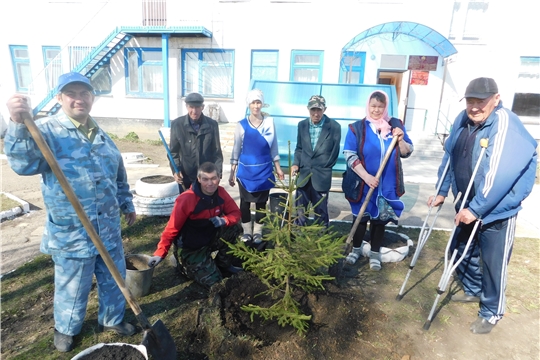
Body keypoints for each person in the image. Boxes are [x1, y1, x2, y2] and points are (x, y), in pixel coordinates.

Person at [4, 72, 137, 353]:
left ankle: (111, 319)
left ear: (92, 97)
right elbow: (23, 165)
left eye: (84, 93)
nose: (79, 99)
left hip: (108, 226)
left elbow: (118, 174)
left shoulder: (102, 135)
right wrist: (16, 124)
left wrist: (127, 202)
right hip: (72, 230)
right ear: (60, 98)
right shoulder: (46, 131)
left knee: (114, 277)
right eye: (72, 94)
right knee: (72, 284)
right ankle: (66, 328)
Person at [428, 77, 537, 334]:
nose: (474, 107)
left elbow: (498, 172)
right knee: (462, 249)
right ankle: (474, 289)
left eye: (481, 101)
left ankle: (492, 311)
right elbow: (451, 154)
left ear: (496, 99)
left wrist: (476, 209)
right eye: (470, 101)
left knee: (493, 261)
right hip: (467, 203)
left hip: (497, 209)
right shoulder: (461, 120)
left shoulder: (504, 123)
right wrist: (442, 191)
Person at [342, 90, 413, 270]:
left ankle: (375, 254)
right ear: (368, 106)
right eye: (373, 106)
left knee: (379, 221)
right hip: (363, 184)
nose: (376, 110)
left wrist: (400, 139)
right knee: (360, 217)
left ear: (385, 107)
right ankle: (355, 250)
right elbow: (349, 155)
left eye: (380, 107)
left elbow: (407, 152)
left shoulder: (395, 126)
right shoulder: (357, 128)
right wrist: (367, 177)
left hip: (386, 185)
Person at [148, 162, 242, 289]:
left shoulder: (221, 192)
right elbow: (171, 229)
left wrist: (224, 220)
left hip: (209, 237)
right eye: (205, 179)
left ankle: (223, 264)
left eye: (214, 178)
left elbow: (235, 213)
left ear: (219, 177)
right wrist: (160, 252)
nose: (210, 183)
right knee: (216, 283)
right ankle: (182, 264)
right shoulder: (186, 199)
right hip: (191, 248)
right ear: (199, 179)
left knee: (234, 228)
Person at [228, 89, 284, 244]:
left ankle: (258, 232)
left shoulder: (269, 123)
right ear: (249, 104)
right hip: (246, 171)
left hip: (264, 170)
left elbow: (274, 148)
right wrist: (232, 172)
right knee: (245, 202)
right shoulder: (241, 125)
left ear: (262, 104)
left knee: (261, 203)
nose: (256, 106)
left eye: (258, 102)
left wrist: (278, 167)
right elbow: (236, 148)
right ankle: (246, 232)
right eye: (253, 102)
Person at [291, 95, 341, 227]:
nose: (316, 113)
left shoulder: (334, 126)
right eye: (313, 110)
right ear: (308, 109)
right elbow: (299, 148)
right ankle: (299, 238)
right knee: (300, 212)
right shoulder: (302, 125)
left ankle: (321, 239)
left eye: (319, 110)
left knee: (321, 212)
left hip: (321, 177)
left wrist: (324, 167)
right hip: (303, 176)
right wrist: (296, 163)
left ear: (324, 109)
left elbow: (334, 153)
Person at [169, 92, 223, 192]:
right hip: (186, 177)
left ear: (202, 107)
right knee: (187, 206)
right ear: (186, 107)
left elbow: (217, 152)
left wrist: (217, 173)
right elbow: (173, 152)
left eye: (197, 107)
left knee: (206, 206)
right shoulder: (177, 125)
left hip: (207, 178)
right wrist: (176, 170)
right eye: (191, 107)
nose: (194, 111)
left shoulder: (212, 125)